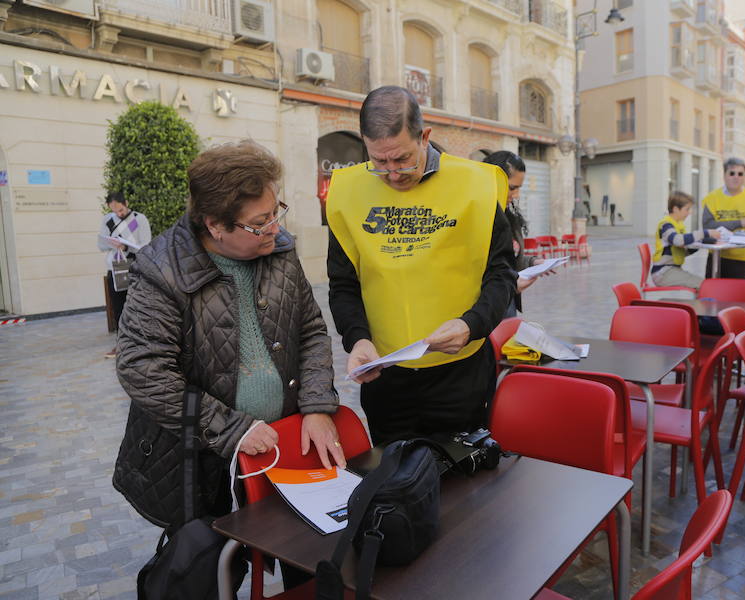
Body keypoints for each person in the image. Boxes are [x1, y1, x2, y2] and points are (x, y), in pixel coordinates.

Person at [113, 141, 345, 589]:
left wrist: (316, 403)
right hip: (203, 459)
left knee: (313, 557)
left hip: (285, 441)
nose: (275, 230)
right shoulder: (163, 272)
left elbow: (312, 331)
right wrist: (232, 429)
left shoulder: (279, 251)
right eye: (259, 224)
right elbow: (143, 370)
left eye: (276, 211)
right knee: (213, 570)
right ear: (214, 225)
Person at [327, 86, 516, 445]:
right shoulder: (348, 193)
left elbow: (502, 274)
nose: (392, 174)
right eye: (378, 162)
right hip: (386, 376)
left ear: (424, 136)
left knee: (464, 482)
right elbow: (343, 282)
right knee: (394, 478)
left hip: (461, 372)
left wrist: (470, 324)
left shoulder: (476, 184)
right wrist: (358, 339)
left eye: (402, 159)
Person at [482, 151, 545, 316]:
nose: (516, 195)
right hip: (486, 309)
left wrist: (532, 262)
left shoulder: (508, 216)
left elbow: (506, 257)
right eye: (512, 188)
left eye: (519, 188)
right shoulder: (478, 218)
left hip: (507, 302)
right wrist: (510, 284)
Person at [96, 191, 151, 358]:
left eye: (120, 210)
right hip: (115, 268)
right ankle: (121, 345)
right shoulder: (108, 220)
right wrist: (114, 244)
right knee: (119, 308)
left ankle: (142, 344)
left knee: (137, 306)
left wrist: (127, 247)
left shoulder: (138, 219)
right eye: (114, 210)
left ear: (126, 203)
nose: (118, 213)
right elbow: (101, 244)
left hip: (135, 268)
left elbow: (146, 245)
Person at [702, 158, 745, 279]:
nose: (736, 177)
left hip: (740, 259)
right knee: (711, 295)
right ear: (724, 175)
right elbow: (707, 226)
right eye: (732, 173)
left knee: (737, 296)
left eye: (740, 174)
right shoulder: (712, 198)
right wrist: (740, 222)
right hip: (717, 256)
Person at [651, 191, 721, 290]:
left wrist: (701, 243)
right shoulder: (666, 225)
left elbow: (681, 251)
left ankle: (699, 305)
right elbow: (678, 240)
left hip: (671, 270)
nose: (690, 212)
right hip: (663, 273)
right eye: (687, 209)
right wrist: (704, 233)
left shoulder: (678, 225)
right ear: (675, 209)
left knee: (703, 284)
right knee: (704, 285)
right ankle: (699, 305)